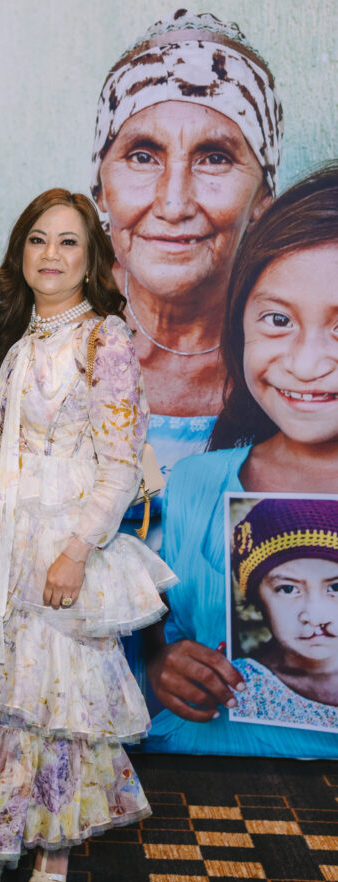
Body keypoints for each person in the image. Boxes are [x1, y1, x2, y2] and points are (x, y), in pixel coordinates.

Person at [0, 189, 176, 882]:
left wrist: (75, 552)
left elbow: (121, 464)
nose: (49, 256)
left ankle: (52, 850)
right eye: (36, 240)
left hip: (62, 547)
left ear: (90, 261)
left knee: (61, 704)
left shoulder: (104, 340)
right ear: (18, 252)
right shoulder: (15, 333)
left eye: (66, 243)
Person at [143, 164, 338, 758]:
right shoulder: (198, 484)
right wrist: (164, 663)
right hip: (204, 783)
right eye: (277, 320)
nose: (305, 364)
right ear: (240, 327)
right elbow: (169, 633)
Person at [90, 9, 283, 544]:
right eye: (143, 155)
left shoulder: (298, 357)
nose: (174, 203)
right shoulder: (23, 325)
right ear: (100, 191)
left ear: (262, 200)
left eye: (214, 157)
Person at [228, 497, 338, 732]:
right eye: (288, 589)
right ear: (258, 602)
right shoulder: (240, 689)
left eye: (335, 588)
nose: (316, 617)